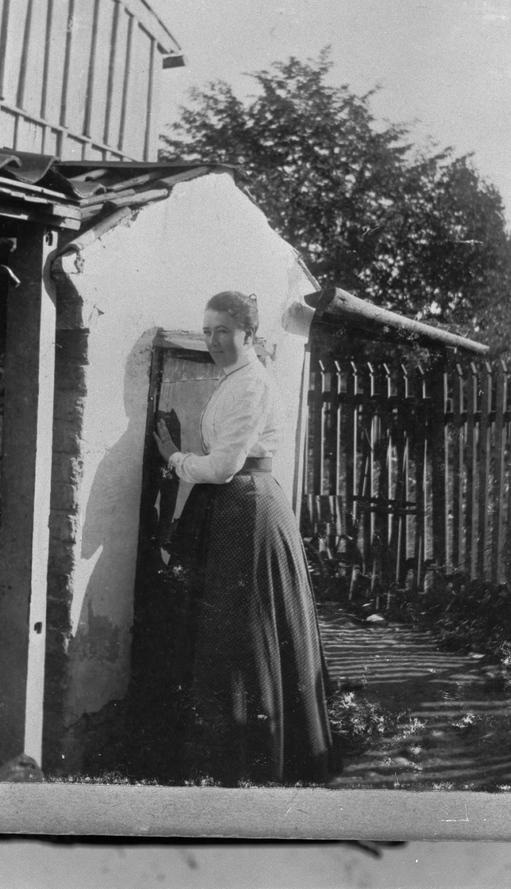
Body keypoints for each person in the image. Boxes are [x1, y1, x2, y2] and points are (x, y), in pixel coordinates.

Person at [154, 290, 335, 787]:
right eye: (207, 331)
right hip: (230, 506)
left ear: (249, 335)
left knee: (242, 636)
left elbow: (223, 466)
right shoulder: (234, 379)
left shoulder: (252, 383)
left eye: (223, 331)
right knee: (224, 635)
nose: (213, 341)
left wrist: (174, 458)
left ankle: (251, 760)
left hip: (247, 508)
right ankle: (227, 755)